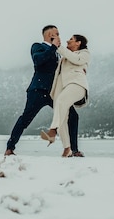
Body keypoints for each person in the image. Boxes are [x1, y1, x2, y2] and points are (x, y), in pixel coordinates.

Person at [4, 25, 81, 157]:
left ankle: (74, 150)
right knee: (25, 119)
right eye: (57, 33)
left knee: (73, 115)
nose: (59, 36)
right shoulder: (37, 46)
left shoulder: (57, 53)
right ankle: (9, 148)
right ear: (50, 34)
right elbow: (38, 61)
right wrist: (52, 47)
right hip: (38, 90)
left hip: (54, 93)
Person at [40, 34, 90, 157]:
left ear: (78, 43)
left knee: (61, 102)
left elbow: (76, 59)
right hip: (63, 88)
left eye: (71, 39)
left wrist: (59, 46)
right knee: (62, 115)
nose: (68, 40)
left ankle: (52, 131)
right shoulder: (63, 59)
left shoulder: (84, 53)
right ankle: (67, 149)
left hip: (77, 85)